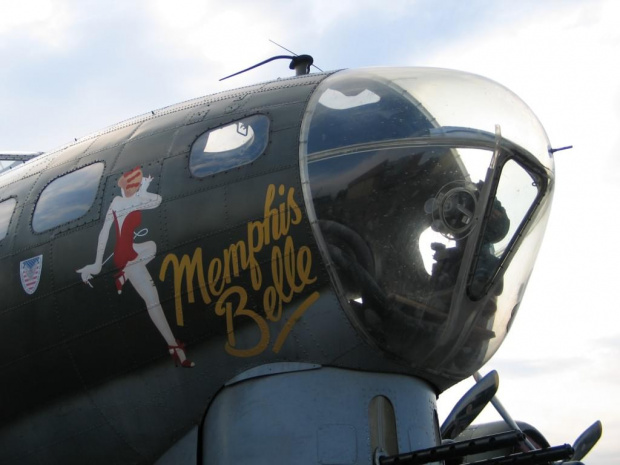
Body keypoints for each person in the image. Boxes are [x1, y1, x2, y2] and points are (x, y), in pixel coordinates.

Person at [77, 166, 194, 367]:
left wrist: (97, 264)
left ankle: (123, 276)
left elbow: (105, 233)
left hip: (129, 252)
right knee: (152, 300)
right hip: (127, 255)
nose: (126, 190)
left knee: (151, 246)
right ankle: (173, 346)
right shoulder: (131, 201)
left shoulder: (119, 201)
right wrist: (144, 191)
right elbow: (154, 201)